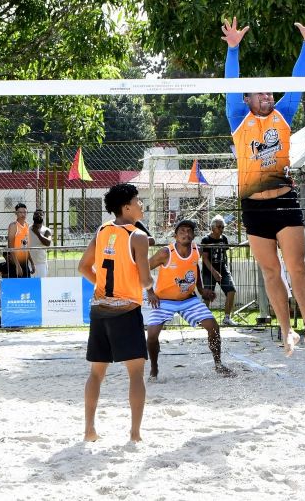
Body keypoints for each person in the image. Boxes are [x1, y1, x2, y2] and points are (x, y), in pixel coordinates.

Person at [222, 11, 305, 355]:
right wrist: (233, 50)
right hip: (253, 206)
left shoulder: (284, 113)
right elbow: (229, 85)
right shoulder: (239, 119)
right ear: (247, 100)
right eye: (260, 94)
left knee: (296, 265)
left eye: (269, 93)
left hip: (284, 202)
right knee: (271, 273)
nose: (267, 96)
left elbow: (298, 78)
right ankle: (287, 332)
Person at [77, 183, 153, 443]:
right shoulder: (138, 237)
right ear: (126, 207)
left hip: (99, 309)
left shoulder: (102, 230)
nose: (142, 205)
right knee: (136, 375)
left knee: (96, 374)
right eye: (138, 200)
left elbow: (83, 267)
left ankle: (89, 430)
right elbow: (145, 281)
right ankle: (135, 434)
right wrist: (156, 264)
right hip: (126, 310)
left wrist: (103, 286)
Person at [146, 219, 233, 380]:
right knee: (151, 335)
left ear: (193, 235)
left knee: (213, 327)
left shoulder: (196, 250)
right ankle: (154, 368)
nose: (186, 234)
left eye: (189, 231)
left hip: (188, 300)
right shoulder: (166, 253)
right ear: (175, 236)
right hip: (164, 300)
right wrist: (150, 292)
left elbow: (195, 267)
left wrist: (201, 290)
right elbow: (143, 269)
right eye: (182, 231)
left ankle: (218, 365)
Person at [200, 215, 237, 326]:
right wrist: (214, 272)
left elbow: (224, 253)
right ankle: (204, 320)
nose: (221, 229)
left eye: (223, 227)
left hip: (223, 269)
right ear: (212, 228)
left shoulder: (224, 238)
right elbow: (205, 258)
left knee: (231, 290)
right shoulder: (206, 239)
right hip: (208, 270)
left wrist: (224, 269)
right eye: (219, 227)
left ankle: (227, 318)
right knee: (207, 295)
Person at [6, 203, 33, 278]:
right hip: (15, 262)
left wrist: (32, 262)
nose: (23, 214)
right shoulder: (13, 226)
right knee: (16, 287)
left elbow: (26, 246)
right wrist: (17, 265)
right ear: (16, 213)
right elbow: (10, 247)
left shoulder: (27, 225)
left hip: (25, 262)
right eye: (20, 212)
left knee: (27, 287)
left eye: (24, 212)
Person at [29, 209, 53, 278]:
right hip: (29, 263)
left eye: (40, 214)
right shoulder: (27, 229)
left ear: (44, 217)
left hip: (41, 263)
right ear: (33, 216)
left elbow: (48, 243)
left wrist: (37, 233)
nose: (38, 216)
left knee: (41, 285)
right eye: (36, 214)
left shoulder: (47, 230)